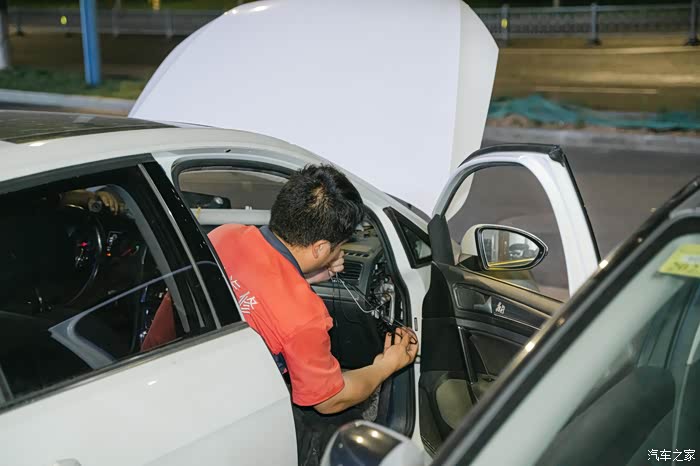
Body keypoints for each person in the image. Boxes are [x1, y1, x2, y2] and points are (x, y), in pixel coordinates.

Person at [142, 164, 418, 465]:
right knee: (341, 428)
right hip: (227, 415)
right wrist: (386, 365)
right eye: (338, 246)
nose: (339, 253)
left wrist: (309, 276)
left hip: (167, 372)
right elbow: (329, 400)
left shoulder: (225, 235)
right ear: (320, 247)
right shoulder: (305, 316)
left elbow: (257, 284)